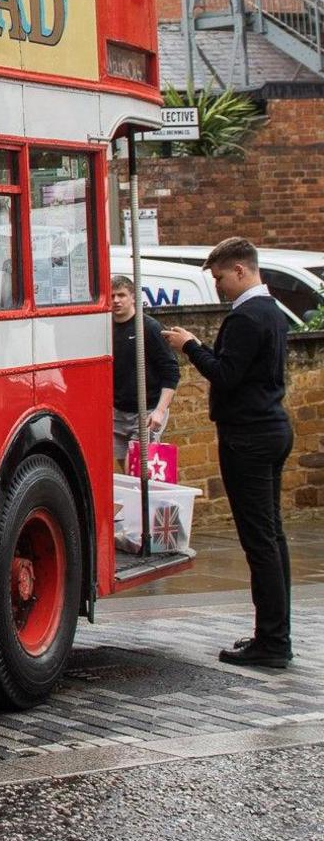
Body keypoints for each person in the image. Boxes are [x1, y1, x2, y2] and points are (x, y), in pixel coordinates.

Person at [164, 237, 295, 669]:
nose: (218, 286)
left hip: (248, 436)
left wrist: (190, 347)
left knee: (260, 542)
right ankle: (274, 635)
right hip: (272, 428)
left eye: (220, 277)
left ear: (240, 270)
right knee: (272, 538)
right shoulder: (272, 312)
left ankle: (273, 643)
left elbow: (225, 374)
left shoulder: (246, 316)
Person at [111, 275, 180, 465]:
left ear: (133, 297)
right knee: (125, 470)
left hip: (146, 410)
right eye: (112, 296)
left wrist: (160, 410)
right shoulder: (106, 328)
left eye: (121, 295)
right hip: (118, 411)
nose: (116, 300)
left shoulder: (148, 327)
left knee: (136, 467)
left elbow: (171, 371)